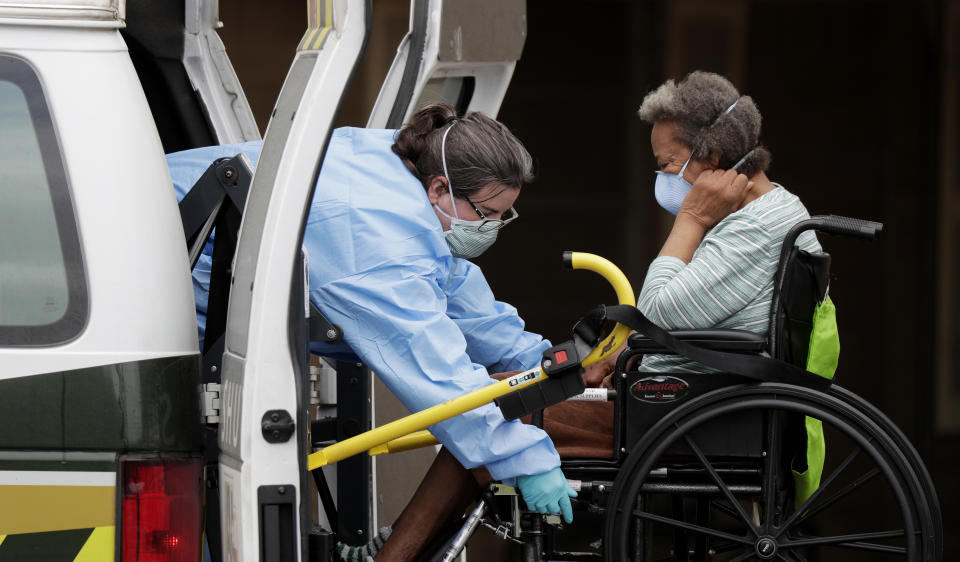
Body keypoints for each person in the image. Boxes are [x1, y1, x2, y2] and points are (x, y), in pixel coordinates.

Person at [167, 103, 608, 561]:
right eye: (488, 212)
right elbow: (438, 377)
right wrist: (525, 458)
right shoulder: (374, 238)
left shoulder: (401, 171)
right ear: (440, 187)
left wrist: (543, 362)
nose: (494, 226)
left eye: (504, 215)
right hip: (131, 286)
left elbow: (457, 289)